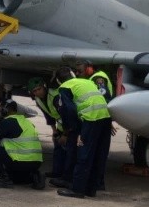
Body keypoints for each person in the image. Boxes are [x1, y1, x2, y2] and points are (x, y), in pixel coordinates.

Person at [55, 66, 113, 199]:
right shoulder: (87, 81)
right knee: (99, 154)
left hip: (91, 118)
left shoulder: (64, 87)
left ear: (59, 81)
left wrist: (74, 130)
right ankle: (91, 189)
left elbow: (68, 109)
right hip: (105, 118)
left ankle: (78, 190)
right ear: (72, 74)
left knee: (84, 154)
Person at [74, 59, 116, 191]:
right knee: (99, 152)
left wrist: (105, 121)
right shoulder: (93, 78)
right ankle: (97, 183)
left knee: (97, 153)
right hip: (103, 118)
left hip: (100, 118)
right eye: (76, 71)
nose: (78, 73)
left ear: (89, 68)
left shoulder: (98, 78)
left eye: (80, 71)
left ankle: (96, 183)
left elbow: (104, 98)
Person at [0, 99, 45, 189]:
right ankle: (34, 176)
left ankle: (4, 179)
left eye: (0, 108)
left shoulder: (8, 122)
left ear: (5, 110)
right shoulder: (26, 122)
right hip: (36, 163)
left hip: (20, 162)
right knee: (17, 180)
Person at [28, 77, 67, 180]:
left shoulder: (55, 96)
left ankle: (66, 177)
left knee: (70, 151)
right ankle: (57, 172)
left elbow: (67, 116)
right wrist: (54, 131)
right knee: (58, 147)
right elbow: (48, 115)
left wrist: (65, 135)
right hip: (61, 125)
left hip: (70, 125)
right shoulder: (38, 99)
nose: (37, 92)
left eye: (39, 89)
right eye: (34, 91)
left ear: (44, 87)